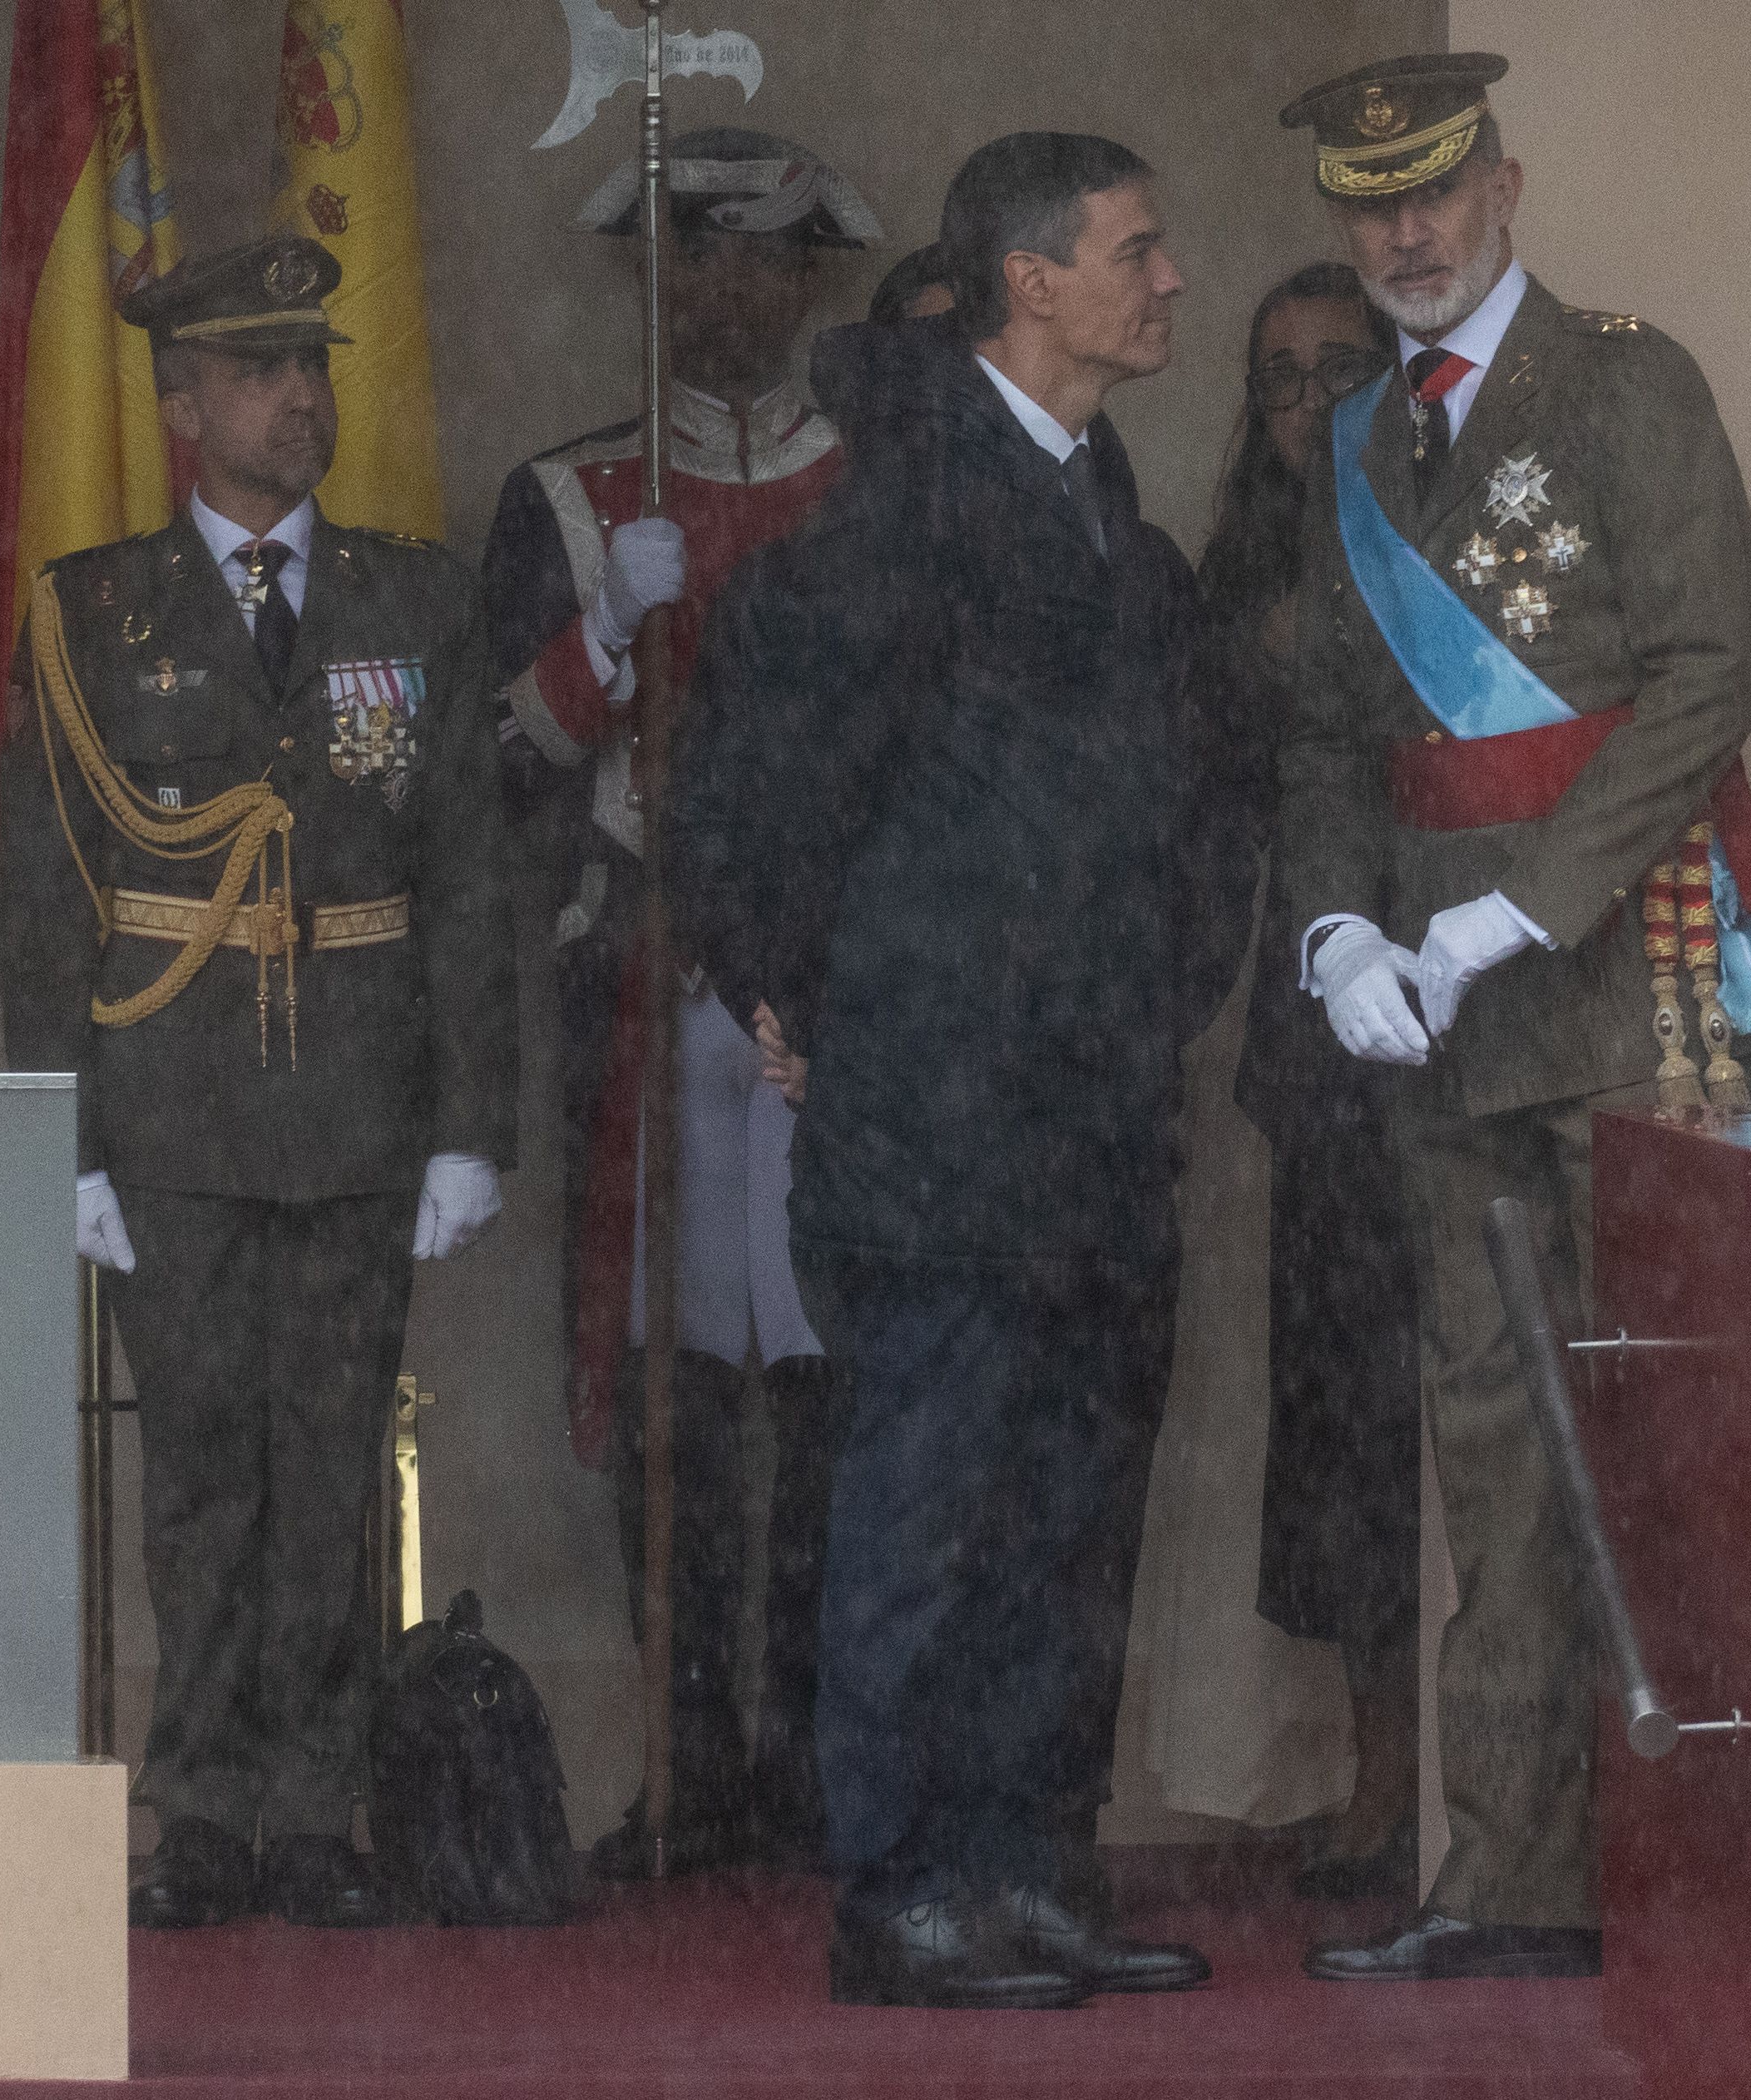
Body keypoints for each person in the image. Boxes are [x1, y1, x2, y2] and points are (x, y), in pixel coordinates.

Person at [667, 130, 1239, 2011]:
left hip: (1084, 1122)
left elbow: (1183, 814)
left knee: (1070, 1516)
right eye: (1135, 252)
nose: (1170, 280)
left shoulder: (1105, 514)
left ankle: (1027, 1861)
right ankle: (904, 1880)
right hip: (936, 1120)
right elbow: (754, 795)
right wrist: (800, 994)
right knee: (925, 1505)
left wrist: (1151, 1000)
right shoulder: (903, 515)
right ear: (1031, 281)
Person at [1271, 52, 1751, 1984]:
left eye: (1432, 192)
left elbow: (1708, 667)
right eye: (1368, 205)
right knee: (1492, 1442)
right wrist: (1341, 927)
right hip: (1436, 1012)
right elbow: (1332, 727)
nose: (1404, 233)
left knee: (1682, 1426)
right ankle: (1509, 1877)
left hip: (1632, 976)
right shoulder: (1349, 434)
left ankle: (1727, 1886)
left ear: (1505, 185)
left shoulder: (1623, 383)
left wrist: (1523, 900)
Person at [0, 234, 513, 1929]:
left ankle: (315, 1809)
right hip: (177, 1103)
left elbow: (467, 876)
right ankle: (201, 1807)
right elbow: (51, 891)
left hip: (361, 1097)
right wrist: (58, 1133)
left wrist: (469, 1122)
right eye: (263, 368)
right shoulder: (91, 613)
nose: (305, 397)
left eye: (317, 364)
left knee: (331, 1457)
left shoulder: (414, 596)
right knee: (205, 1472)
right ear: (180, 401)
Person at [482, 126, 874, 1878]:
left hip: (840, 992)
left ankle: (815, 1747)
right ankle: (688, 1756)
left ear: (809, 278)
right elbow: (496, 768)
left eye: (758, 259)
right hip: (639, 970)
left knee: (838, 1383)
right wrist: (598, 648)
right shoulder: (569, 500)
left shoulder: (877, 478)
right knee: (671, 1386)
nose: (723, 291)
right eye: (689, 259)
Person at [1200, 261, 1421, 1898]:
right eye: (1281, 381)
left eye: (1344, 371)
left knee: (1450, 1412)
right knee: (1342, 1418)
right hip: (1321, 1043)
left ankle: (1461, 1779)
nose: (1311, 406)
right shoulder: (1241, 573)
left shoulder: (1458, 537)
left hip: (1469, 1007)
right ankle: (1377, 1765)